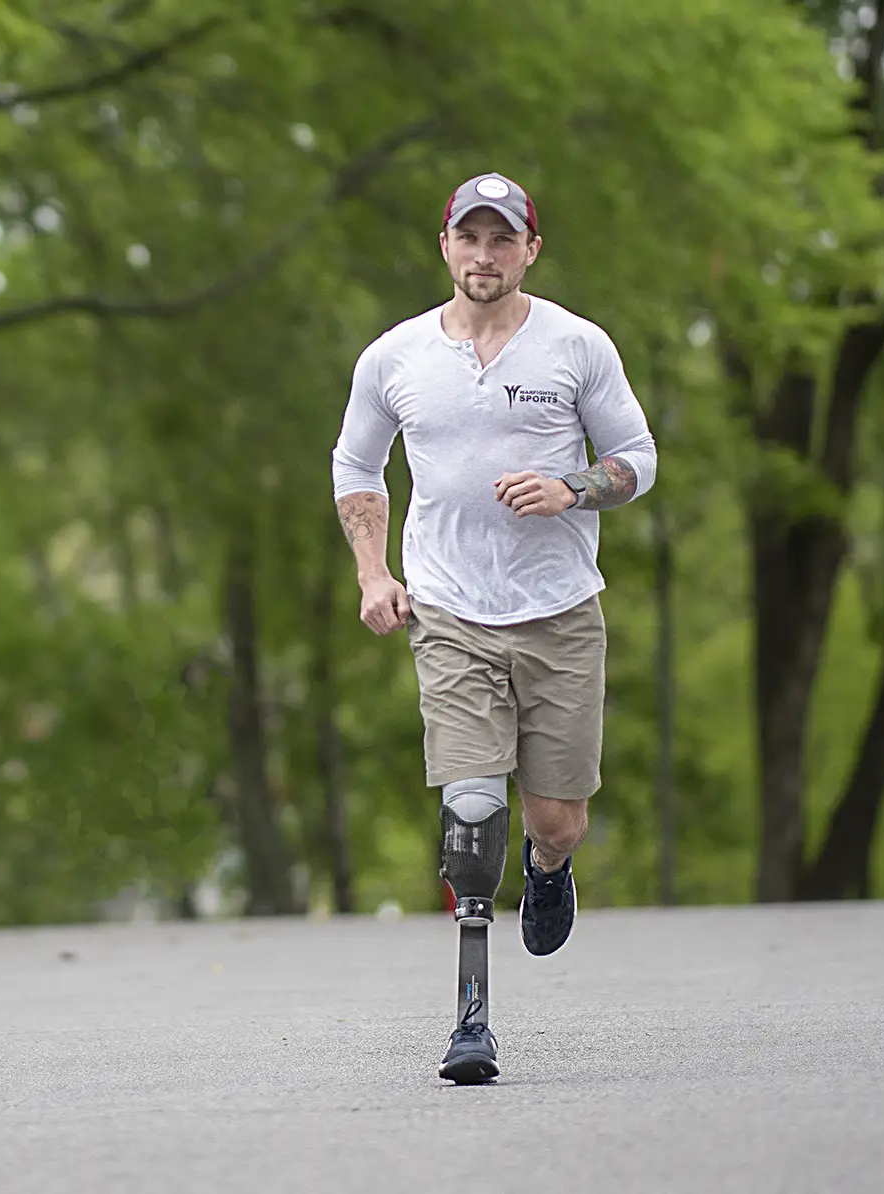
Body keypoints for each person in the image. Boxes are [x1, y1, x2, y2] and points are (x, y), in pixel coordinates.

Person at [331, 171, 657, 1077]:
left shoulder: (576, 347)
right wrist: (373, 573)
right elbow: (357, 465)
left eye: (502, 240)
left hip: (559, 614)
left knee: (556, 818)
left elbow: (637, 458)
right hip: (449, 612)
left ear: (529, 251)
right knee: (471, 813)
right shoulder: (394, 357)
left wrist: (573, 488)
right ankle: (470, 1023)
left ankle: (549, 870)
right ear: (444, 246)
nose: (485, 255)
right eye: (469, 238)